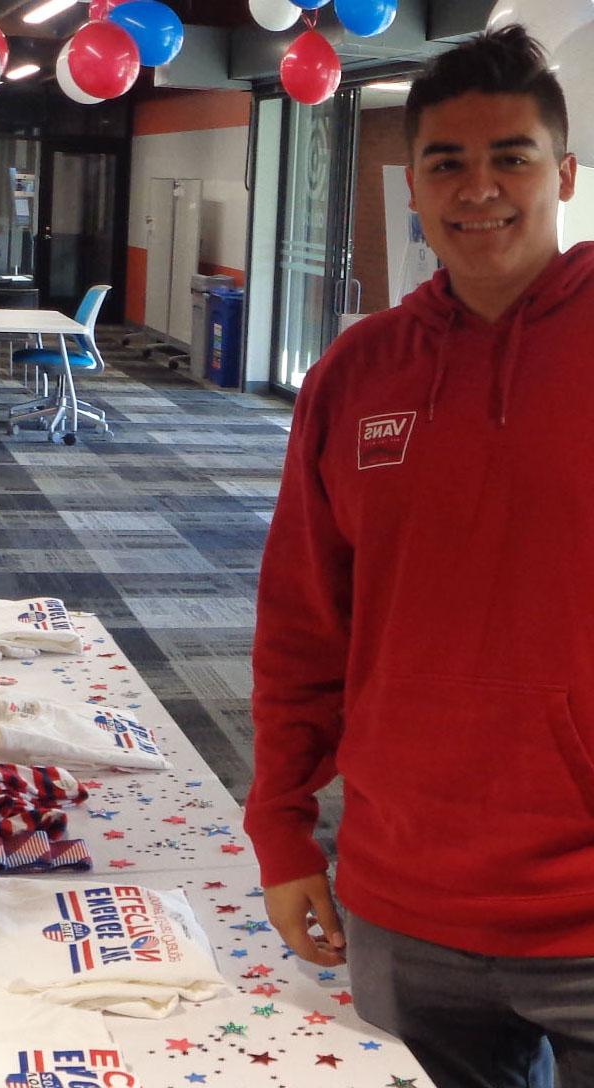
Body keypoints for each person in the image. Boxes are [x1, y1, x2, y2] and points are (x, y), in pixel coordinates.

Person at [244, 25, 594, 1088]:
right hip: (401, 897)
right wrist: (280, 828)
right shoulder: (355, 374)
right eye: (445, 160)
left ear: (564, 174)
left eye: (510, 157)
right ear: (410, 182)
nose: (476, 187)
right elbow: (302, 621)